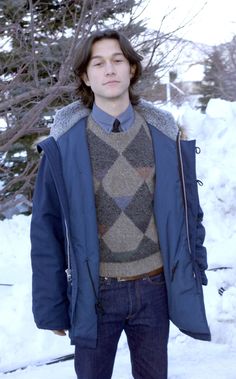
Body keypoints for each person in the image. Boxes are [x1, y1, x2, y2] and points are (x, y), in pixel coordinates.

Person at [30, 29, 211, 379]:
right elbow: (46, 228)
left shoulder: (163, 134)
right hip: (96, 291)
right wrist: (52, 305)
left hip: (154, 289)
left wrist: (195, 267)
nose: (109, 69)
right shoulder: (64, 145)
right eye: (98, 63)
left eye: (117, 60)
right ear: (86, 75)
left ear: (132, 69)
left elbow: (190, 213)